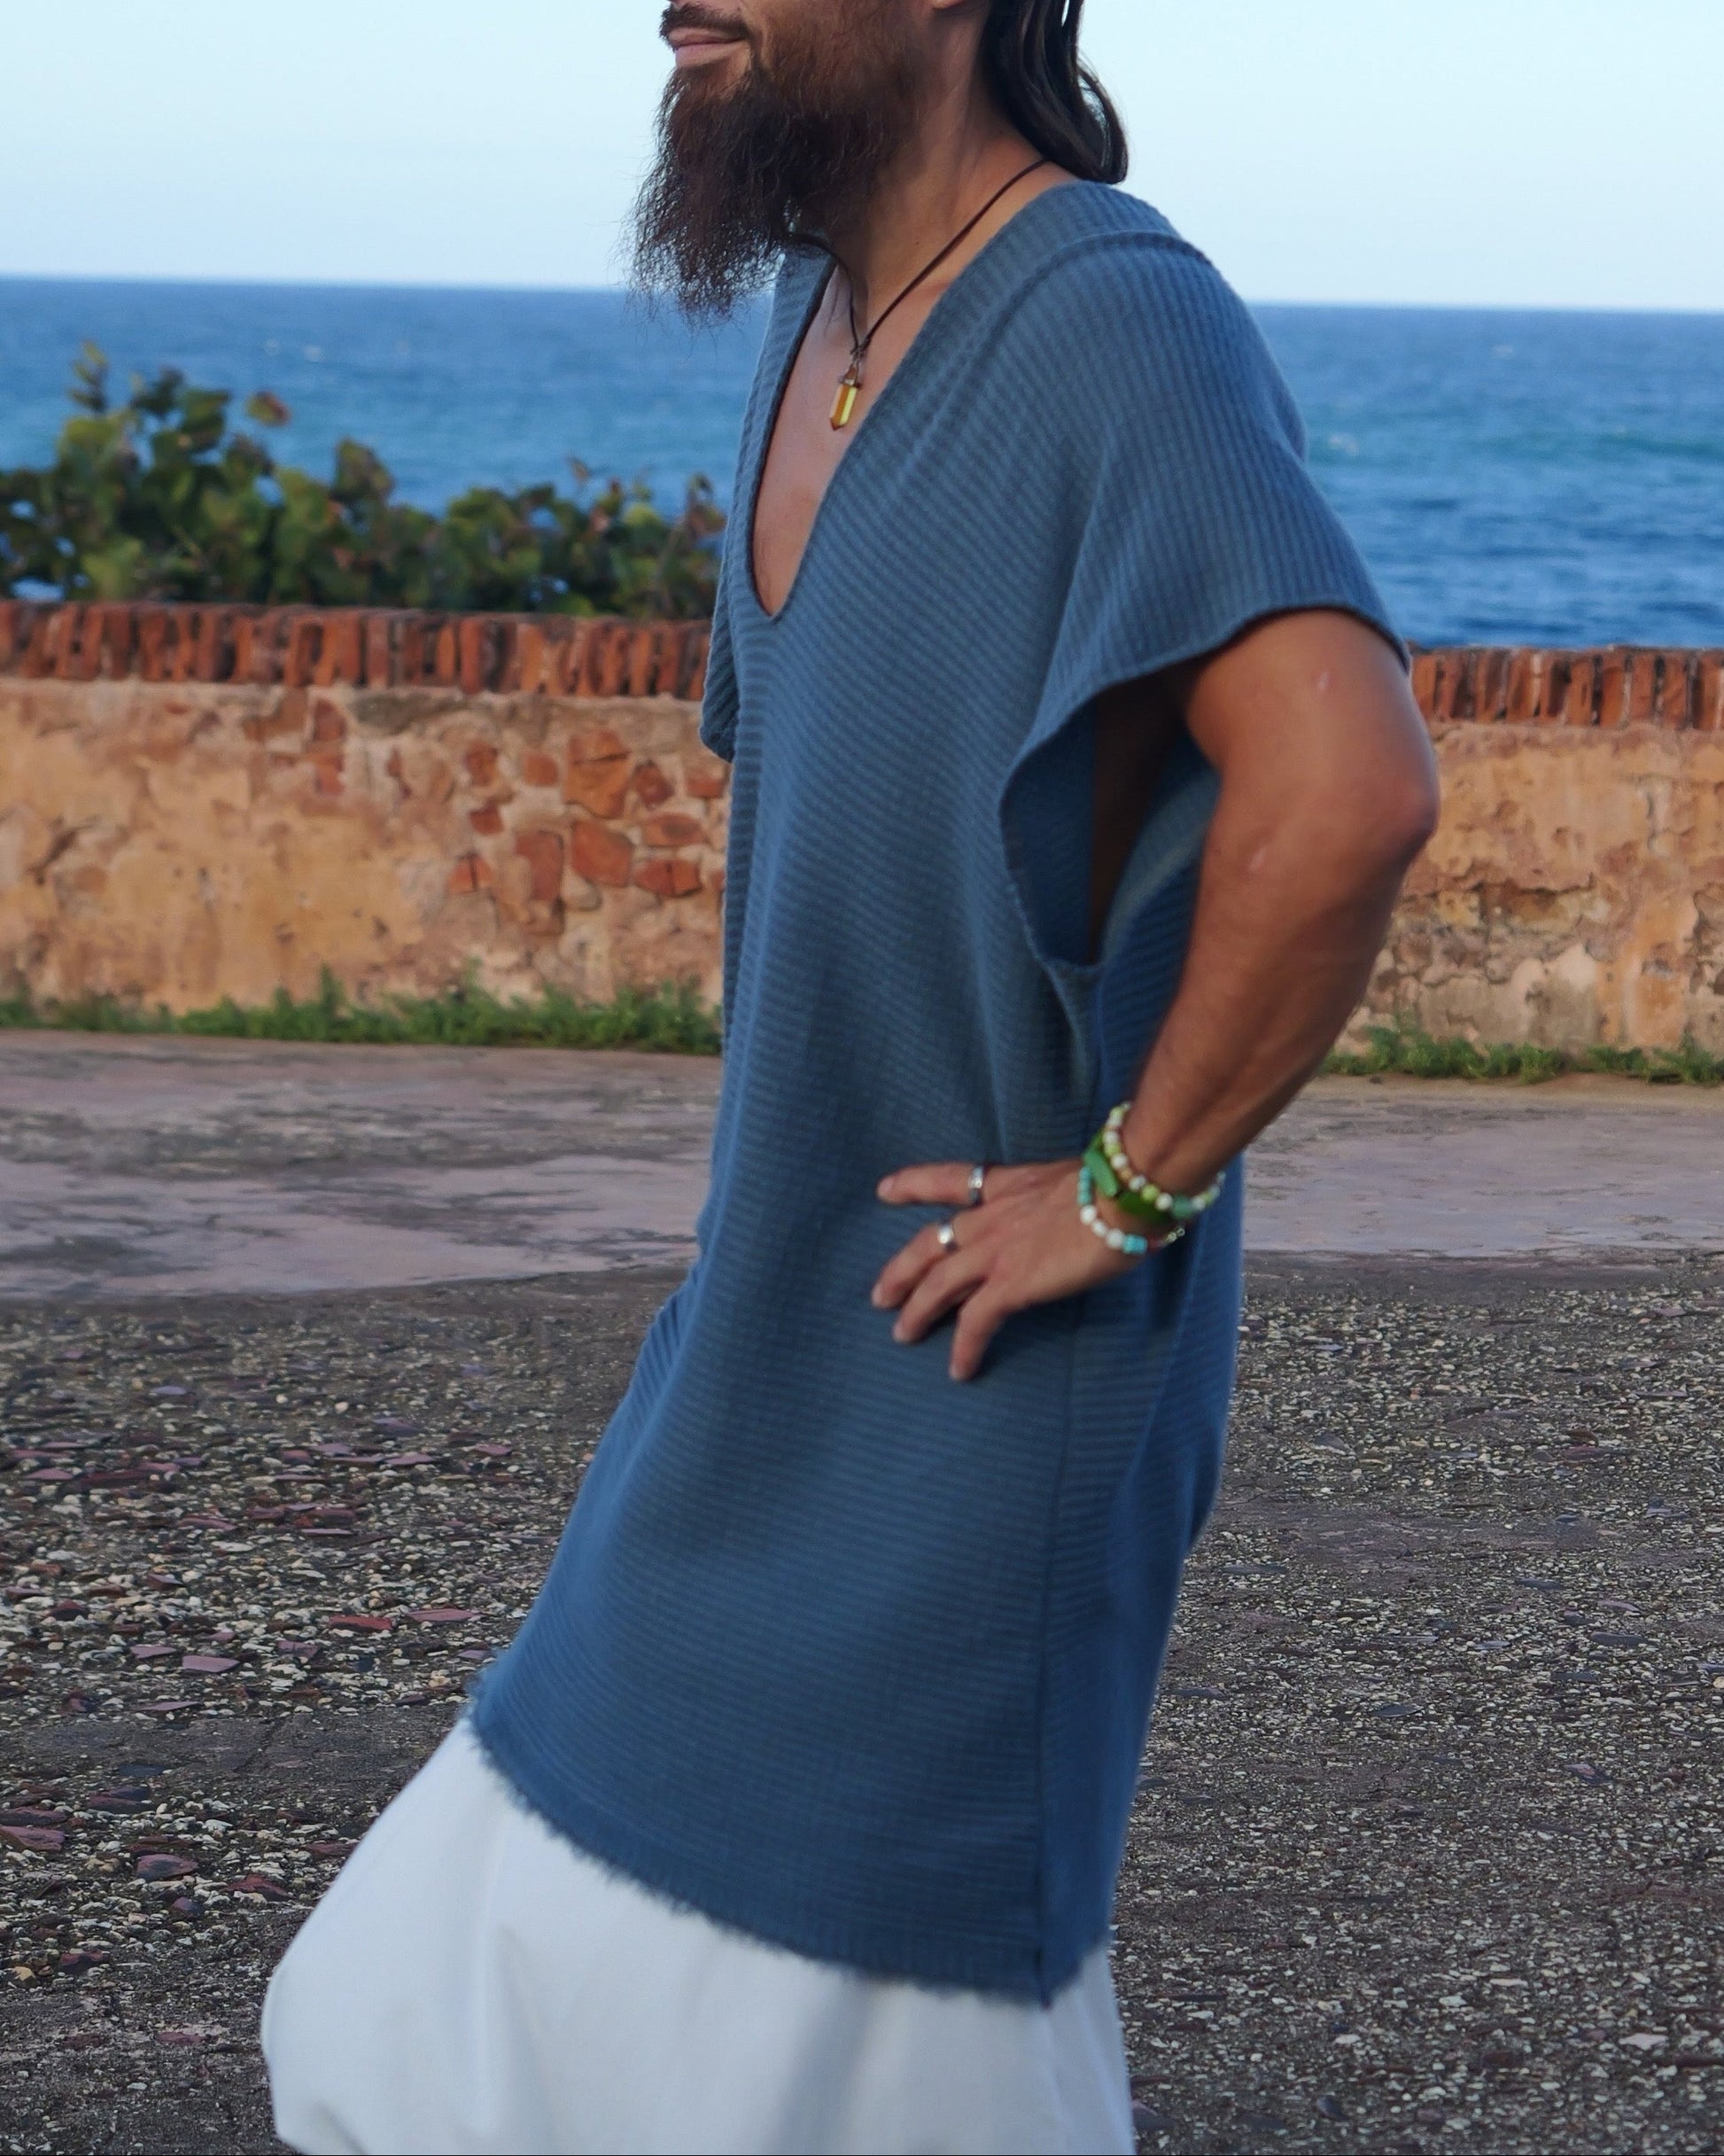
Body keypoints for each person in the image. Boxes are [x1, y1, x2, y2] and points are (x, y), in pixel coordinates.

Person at [263, 3, 1440, 2151]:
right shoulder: (820, 321)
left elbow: (1345, 792)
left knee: (831, 2058)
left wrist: (1122, 1189)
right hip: (761, 1347)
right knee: (397, 2026)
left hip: (972, 1393)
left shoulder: (1110, 322)